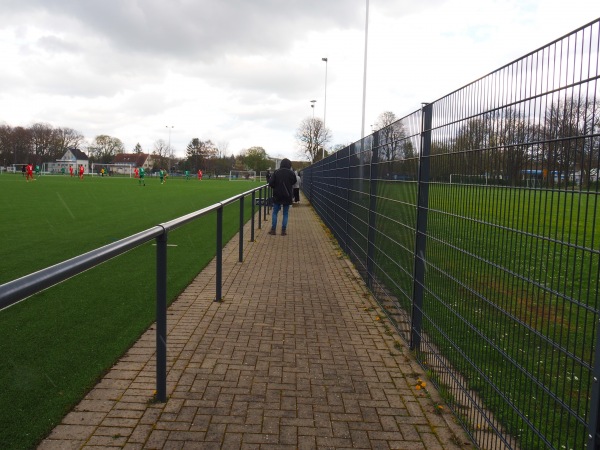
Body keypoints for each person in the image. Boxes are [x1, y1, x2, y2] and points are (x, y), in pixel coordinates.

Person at [268, 158, 297, 236]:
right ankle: (283, 231)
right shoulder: (291, 173)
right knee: (285, 213)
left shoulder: (276, 172)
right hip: (287, 195)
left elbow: (270, 183)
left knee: (275, 212)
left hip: (277, 194)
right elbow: (294, 181)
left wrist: (276, 187)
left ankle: (273, 229)